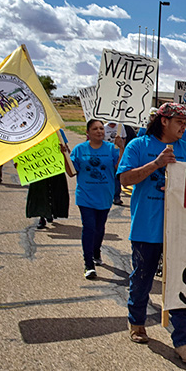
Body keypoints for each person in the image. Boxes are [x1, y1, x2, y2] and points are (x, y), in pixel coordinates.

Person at [117, 102, 186, 363]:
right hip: (146, 227)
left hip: (181, 230)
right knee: (142, 279)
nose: (184, 126)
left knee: (181, 284)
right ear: (164, 121)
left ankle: (183, 340)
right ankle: (137, 321)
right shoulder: (138, 146)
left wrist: (179, 189)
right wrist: (156, 164)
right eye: (179, 121)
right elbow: (125, 179)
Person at [69, 119, 123, 279]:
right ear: (87, 133)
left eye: (101, 128)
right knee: (89, 227)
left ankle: (96, 250)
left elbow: (119, 168)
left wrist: (121, 148)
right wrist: (64, 155)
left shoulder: (111, 148)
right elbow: (71, 172)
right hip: (85, 196)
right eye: (95, 129)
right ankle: (88, 264)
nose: (99, 131)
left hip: (105, 195)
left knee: (99, 228)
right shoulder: (79, 150)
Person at [26, 132, 71, 229]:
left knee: (55, 192)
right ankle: (42, 216)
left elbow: (67, 149)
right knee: (40, 193)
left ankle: (51, 212)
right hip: (39, 169)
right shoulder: (33, 133)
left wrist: (64, 150)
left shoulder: (58, 132)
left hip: (55, 167)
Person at [104, 121, 125, 206]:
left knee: (117, 176)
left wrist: (121, 149)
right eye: (111, 124)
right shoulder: (104, 127)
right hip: (107, 154)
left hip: (117, 154)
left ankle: (116, 197)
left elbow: (124, 139)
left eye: (114, 124)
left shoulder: (121, 127)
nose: (112, 125)